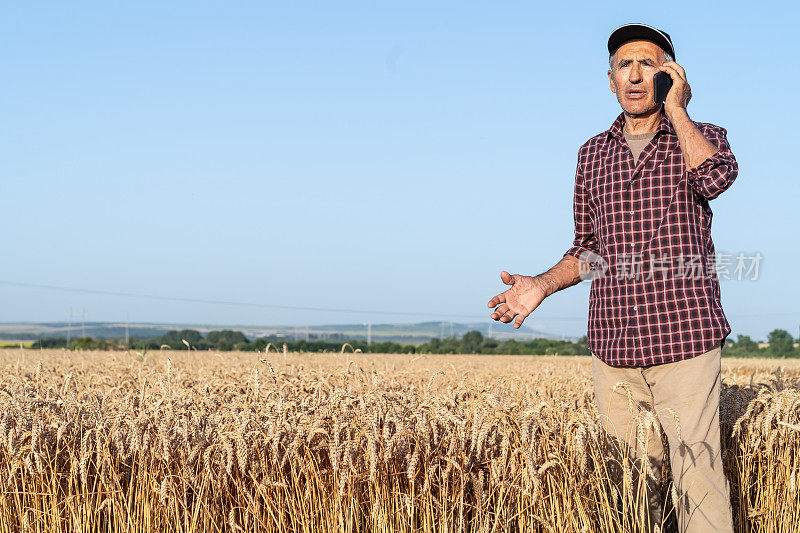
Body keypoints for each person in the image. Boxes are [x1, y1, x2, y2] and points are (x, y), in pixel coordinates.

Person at [486, 23, 737, 532]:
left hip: (685, 341)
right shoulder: (591, 154)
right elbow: (590, 251)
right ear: (610, 80)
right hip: (614, 349)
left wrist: (678, 111)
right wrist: (540, 284)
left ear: (671, 75)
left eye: (650, 63)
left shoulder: (701, 136)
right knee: (629, 494)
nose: (636, 74)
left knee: (699, 485)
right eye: (626, 64)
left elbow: (716, 180)